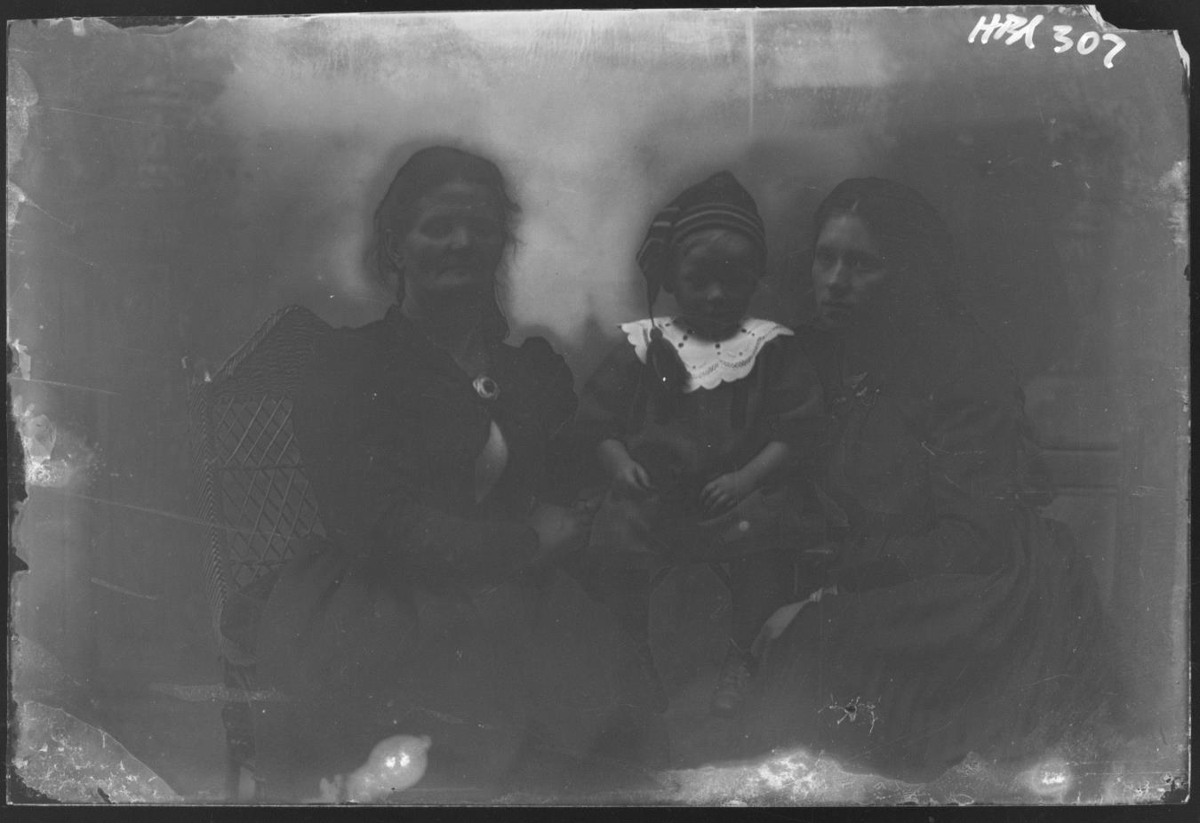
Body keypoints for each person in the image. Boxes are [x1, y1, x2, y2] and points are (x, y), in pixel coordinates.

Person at [249, 146, 658, 802]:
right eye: (437, 226)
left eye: (480, 227)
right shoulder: (352, 366)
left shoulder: (529, 371)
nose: (461, 242)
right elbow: (374, 528)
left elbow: (572, 483)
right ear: (397, 247)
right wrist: (528, 541)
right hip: (383, 602)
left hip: (510, 598)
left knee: (602, 735)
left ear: (501, 245)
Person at [739, 177, 1121, 783]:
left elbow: (970, 541)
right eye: (825, 257)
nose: (835, 280)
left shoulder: (964, 366)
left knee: (817, 654)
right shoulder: (813, 353)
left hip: (990, 591)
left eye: (863, 264)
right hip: (891, 573)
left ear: (912, 274)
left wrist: (829, 596)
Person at [576, 171, 827, 719]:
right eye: (699, 280)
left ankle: (744, 657)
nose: (716, 295)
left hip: (733, 497)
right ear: (672, 278)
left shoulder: (768, 347)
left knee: (766, 545)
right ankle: (632, 657)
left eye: (733, 280)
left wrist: (747, 477)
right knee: (616, 537)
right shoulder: (646, 345)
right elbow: (598, 424)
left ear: (755, 279)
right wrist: (620, 465)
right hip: (656, 498)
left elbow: (797, 431)